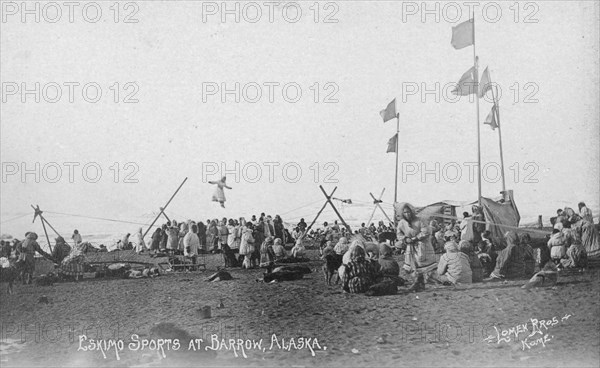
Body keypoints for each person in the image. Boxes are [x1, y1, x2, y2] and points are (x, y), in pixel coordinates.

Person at [396, 203, 437, 290]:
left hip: (421, 244)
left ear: (412, 212)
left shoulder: (420, 220)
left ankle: (420, 282)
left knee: (420, 262)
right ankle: (418, 282)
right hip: (410, 245)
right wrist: (405, 239)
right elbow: (399, 234)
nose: (408, 214)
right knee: (412, 263)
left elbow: (426, 231)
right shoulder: (401, 223)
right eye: (405, 212)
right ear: (403, 213)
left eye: (409, 212)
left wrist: (415, 238)